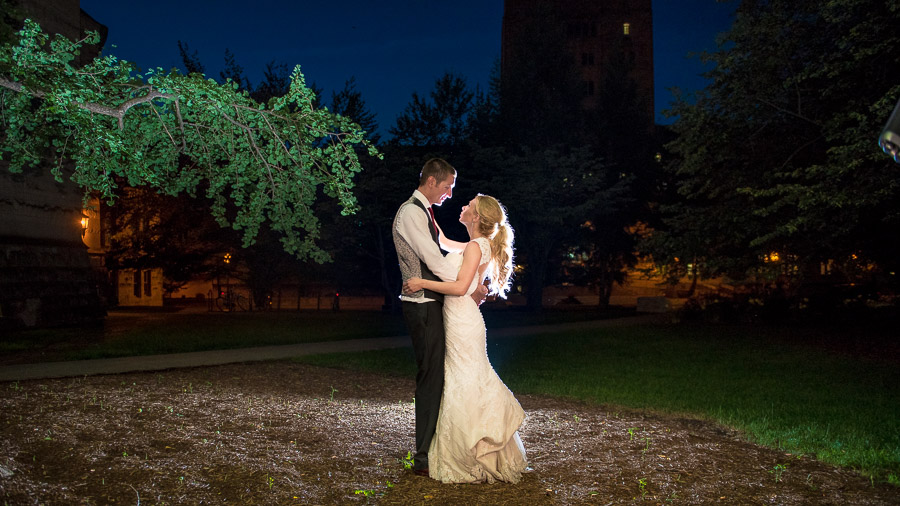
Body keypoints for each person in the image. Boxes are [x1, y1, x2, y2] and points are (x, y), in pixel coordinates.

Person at [404, 194, 528, 484]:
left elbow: (460, 287)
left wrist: (421, 282)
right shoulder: (478, 245)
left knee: (465, 379)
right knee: (467, 378)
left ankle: (471, 450)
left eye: (468, 206)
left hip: (462, 319)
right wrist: (428, 213)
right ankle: (480, 446)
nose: (462, 207)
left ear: (476, 217)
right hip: (464, 317)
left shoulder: (475, 246)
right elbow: (445, 243)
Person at [392, 158, 485, 477]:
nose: (449, 194)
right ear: (431, 181)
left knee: (439, 375)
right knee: (431, 376)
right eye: (447, 187)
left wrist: (481, 251)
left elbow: (447, 249)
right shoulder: (411, 213)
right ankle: (424, 456)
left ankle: (436, 445)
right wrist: (468, 285)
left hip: (433, 301)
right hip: (421, 304)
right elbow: (435, 260)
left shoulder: (426, 213)